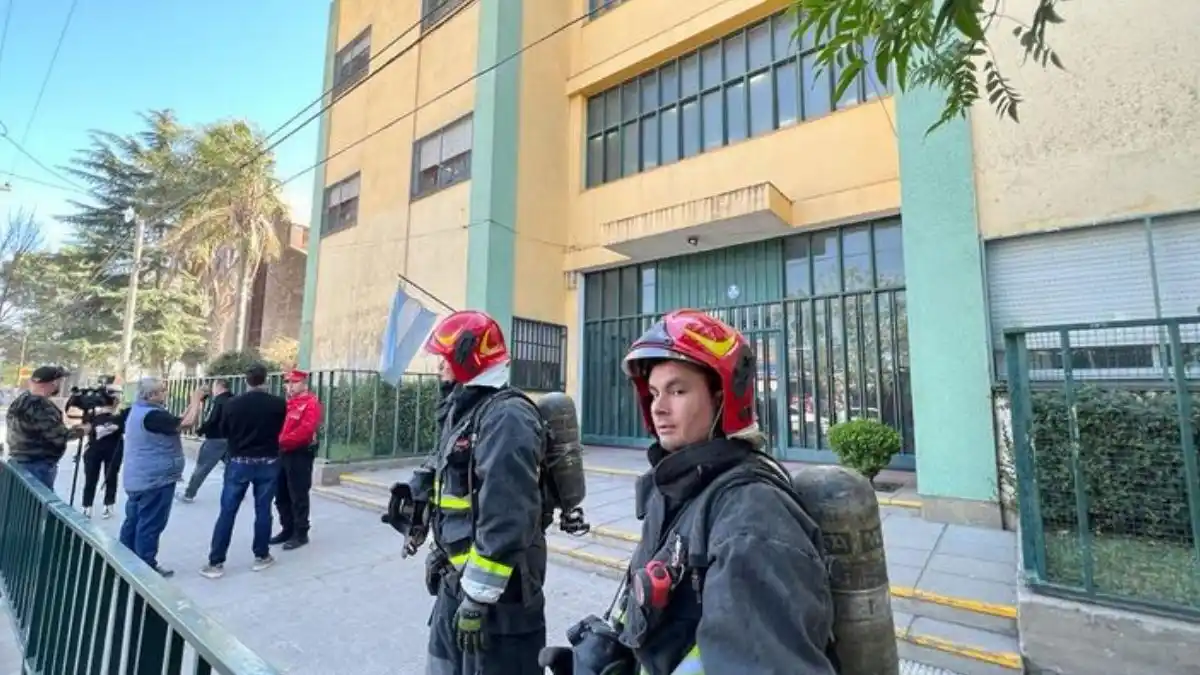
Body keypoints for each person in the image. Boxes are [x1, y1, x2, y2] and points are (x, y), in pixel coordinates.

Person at [539, 310, 837, 675]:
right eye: (653, 393)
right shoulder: (680, 488)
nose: (659, 408)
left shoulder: (752, 518)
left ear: (722, 397)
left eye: (677, 391)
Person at [413, 310, 548, 675]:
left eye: (446, 357)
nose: (440, 365)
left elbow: (508, 515)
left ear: (469, 357)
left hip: (500, 602)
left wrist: (478, 596)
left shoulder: (507, 417)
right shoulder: (466, 410)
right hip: (456, 583)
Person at [200, 363, 287, 579]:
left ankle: (216, 561)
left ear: (246, 380)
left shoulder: (232, 404)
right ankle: (261, 555)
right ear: (266, 379)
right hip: (268, 460)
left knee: (227, 511)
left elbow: (224, 431)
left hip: (239, 460)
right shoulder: (278, 404)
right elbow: (280, 429)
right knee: (263, 509)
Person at [121, 378, 205, 578]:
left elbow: (175, 423)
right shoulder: (151, 415)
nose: (165, 394)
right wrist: (195, 400)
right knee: (150, 523)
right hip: (155, 479)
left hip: (139, 477)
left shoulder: (141, 411)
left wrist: (192, 406)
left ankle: (124, 559)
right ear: (151, 395)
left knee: (134, 520)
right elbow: (187, 423)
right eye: (162, 391)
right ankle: (145, 566)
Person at [4, 365, 85, 490]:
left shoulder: (21, 400)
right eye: (59, 381)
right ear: (53, 383)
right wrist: (84, 429)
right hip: (37, 466)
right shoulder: (41, 406)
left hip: (19, 462)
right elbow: (59, 436)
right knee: (35, 507)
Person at [270, 369, 323, 550]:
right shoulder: (287, 403)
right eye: (287, 383)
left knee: (298, 494)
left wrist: (282, 441)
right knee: (281, 493)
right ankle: (287, 528)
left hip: (299, 453)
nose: (289, 386)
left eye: (294, 382)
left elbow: (306, 430)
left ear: (304, 384)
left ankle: (300, 533)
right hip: (282, 452)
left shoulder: (310, 403)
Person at [177, 379, 233, 503]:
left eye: (214, 387)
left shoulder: (218, 401)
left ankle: (189, 494)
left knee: (202, 467)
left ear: (219, 386)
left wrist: (200, 430)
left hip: (215, 439)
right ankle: (235, 492)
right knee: (231, 466)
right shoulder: (235, 399)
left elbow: (212, 419)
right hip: (230, 439)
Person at [81, 390, 128, 519]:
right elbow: (85, 427)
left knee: (110, 477)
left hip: (113, 450)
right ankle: (87, 505)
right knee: (91, 478)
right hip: (94, 450)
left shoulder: (120, 415)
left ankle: (108, 504)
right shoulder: (92, 414)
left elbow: (124, 426)